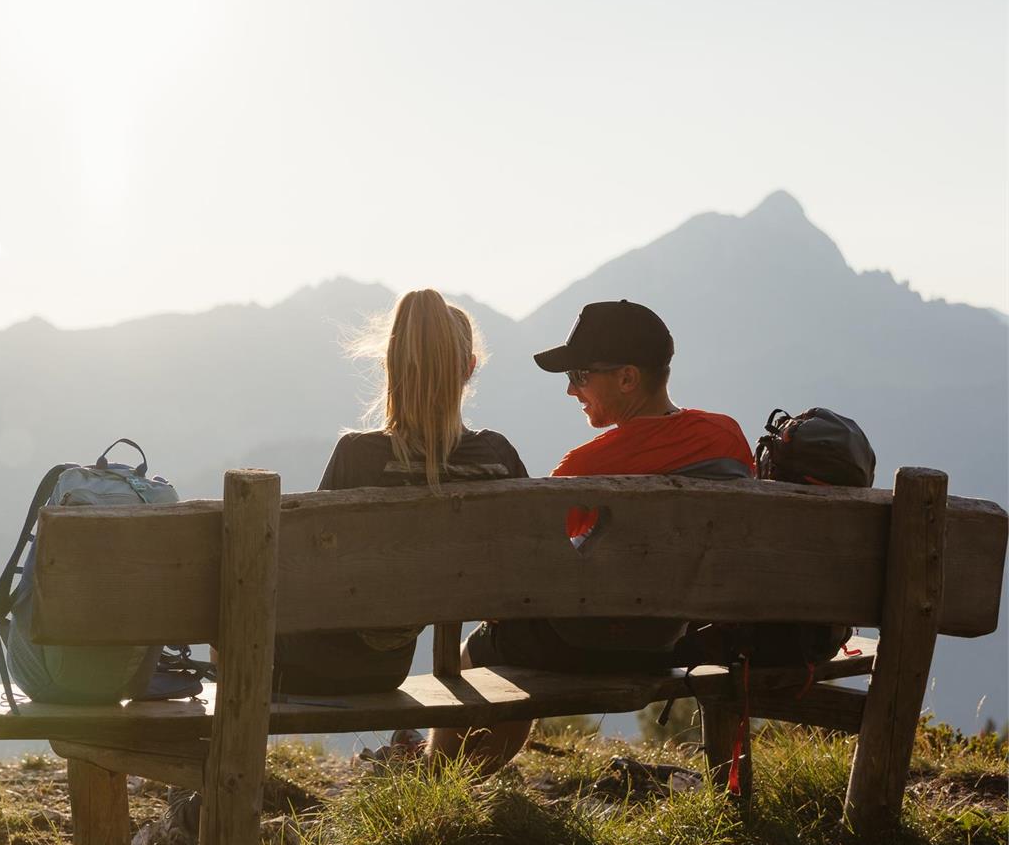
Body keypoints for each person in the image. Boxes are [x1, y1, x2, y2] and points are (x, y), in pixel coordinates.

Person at [429, 298, 754, 769]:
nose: (570, 391)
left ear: (627, 378)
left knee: (479, 652)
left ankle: (438, 781)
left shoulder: (585, 470)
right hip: (670, 642)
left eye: (580, 376)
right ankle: (452, 782)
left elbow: (532, 567)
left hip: (581, 645)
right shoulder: (726, 437)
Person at [273, 288, 529, 695]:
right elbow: (525, 566)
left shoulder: (359, 456)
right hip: (389, 667)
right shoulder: (498, 457)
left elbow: (302, 570)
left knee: (235, 608)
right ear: (470, 368)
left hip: (308, 661)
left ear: (388, 365)